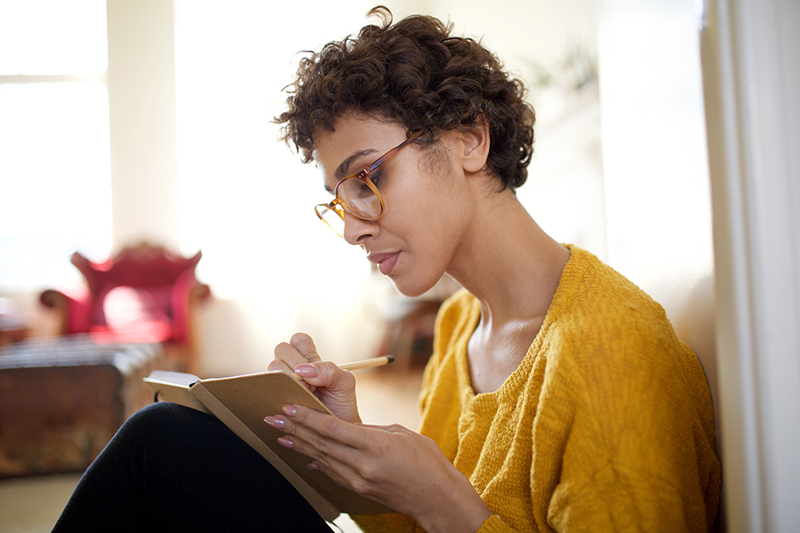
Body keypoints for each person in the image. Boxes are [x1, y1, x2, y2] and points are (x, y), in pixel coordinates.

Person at [53, 6, 721, 533]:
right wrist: (353, 441)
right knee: (168, 441)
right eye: (338, 199)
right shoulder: (464, 322)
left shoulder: (611, 358)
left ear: (469, 136)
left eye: (368, 177)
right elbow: (415, 525)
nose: (350, 226)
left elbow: (446, 514)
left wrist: (448, 500)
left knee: (158, 448)